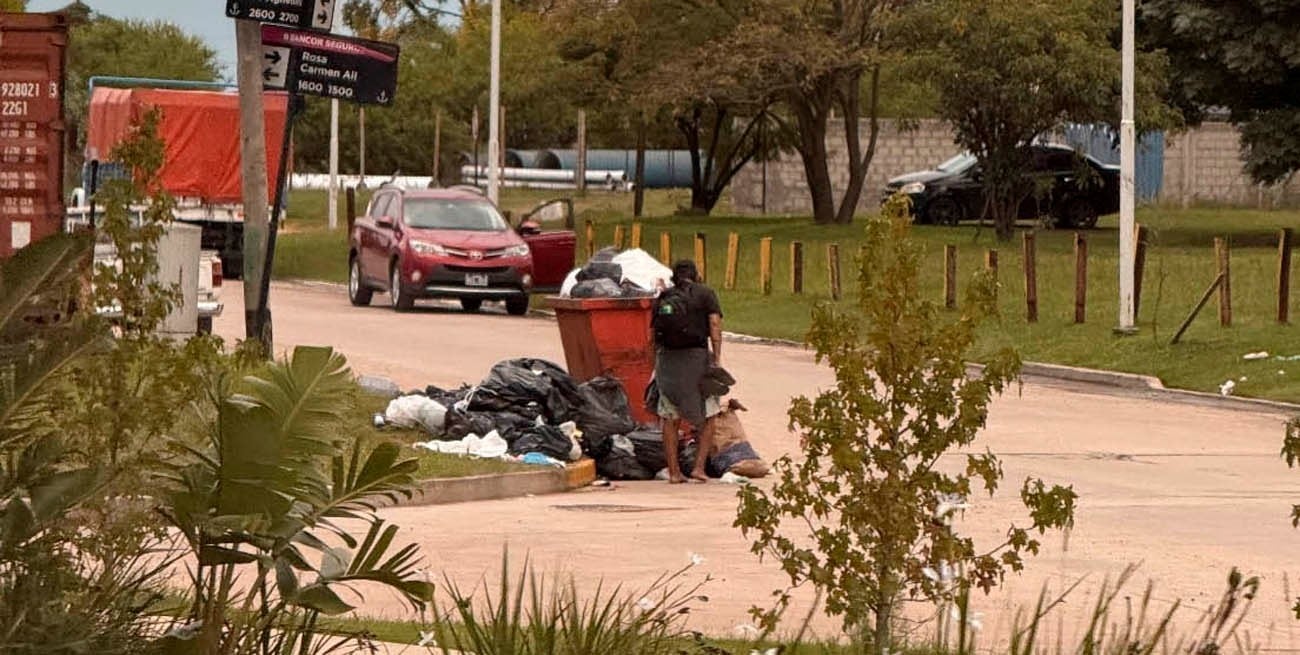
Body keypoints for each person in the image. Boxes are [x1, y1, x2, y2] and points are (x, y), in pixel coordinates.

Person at [652, 260, 724, 484]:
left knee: (669, 416)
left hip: (668, 361)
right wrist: (716, 357)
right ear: (697, 275)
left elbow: (653, 334)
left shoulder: (664, 297)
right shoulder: (706, 294)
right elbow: (714, 325)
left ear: (674, 277)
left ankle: (674, 472)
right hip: (697, 360)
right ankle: (699, 468)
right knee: (710, 414)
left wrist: (656, 361)